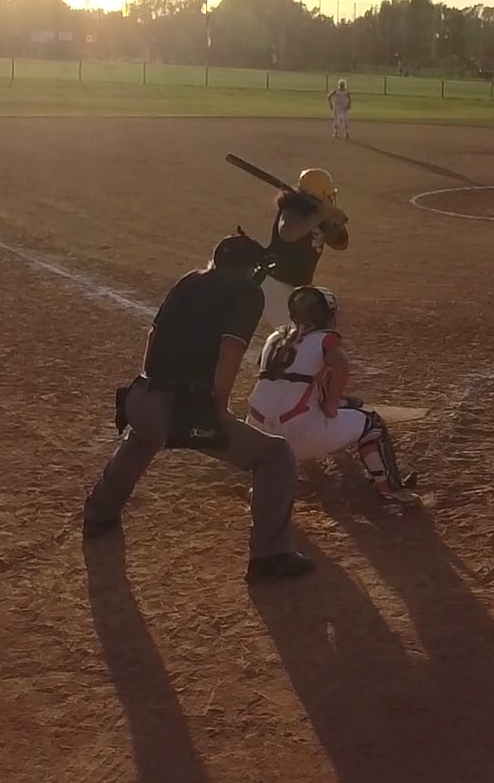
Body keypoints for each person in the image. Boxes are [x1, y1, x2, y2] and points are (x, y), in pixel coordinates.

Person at [81, 232, 312, 584]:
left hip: (140, 397)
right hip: (180, 407)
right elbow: (230, 350)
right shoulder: (247, 291)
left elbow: (153, 336)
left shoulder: (190, 280)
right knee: (276, 455)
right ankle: (270, 555)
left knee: (143, 437)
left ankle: (98, 514)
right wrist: (217, 408)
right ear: (250, 269)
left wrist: (150, 385)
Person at [246, 285, 416, 505]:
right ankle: (390, 490)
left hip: (254, 437)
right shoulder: (325, 339)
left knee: (303, 407)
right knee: (372, 424)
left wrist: (338, 400)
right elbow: (340, 364)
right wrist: (331, 405)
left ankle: (264, 485)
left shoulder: (274, 337)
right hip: (294, 437)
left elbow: (285, 378)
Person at [260, 168, 351, 328]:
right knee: (298, 333)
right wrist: (320, 216)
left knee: (303, 332)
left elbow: (341, 244)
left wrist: (336, 224)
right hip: (275, 284)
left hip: (295, 288)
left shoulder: (318, 213)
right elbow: (287, 233)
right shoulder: (294, 208)